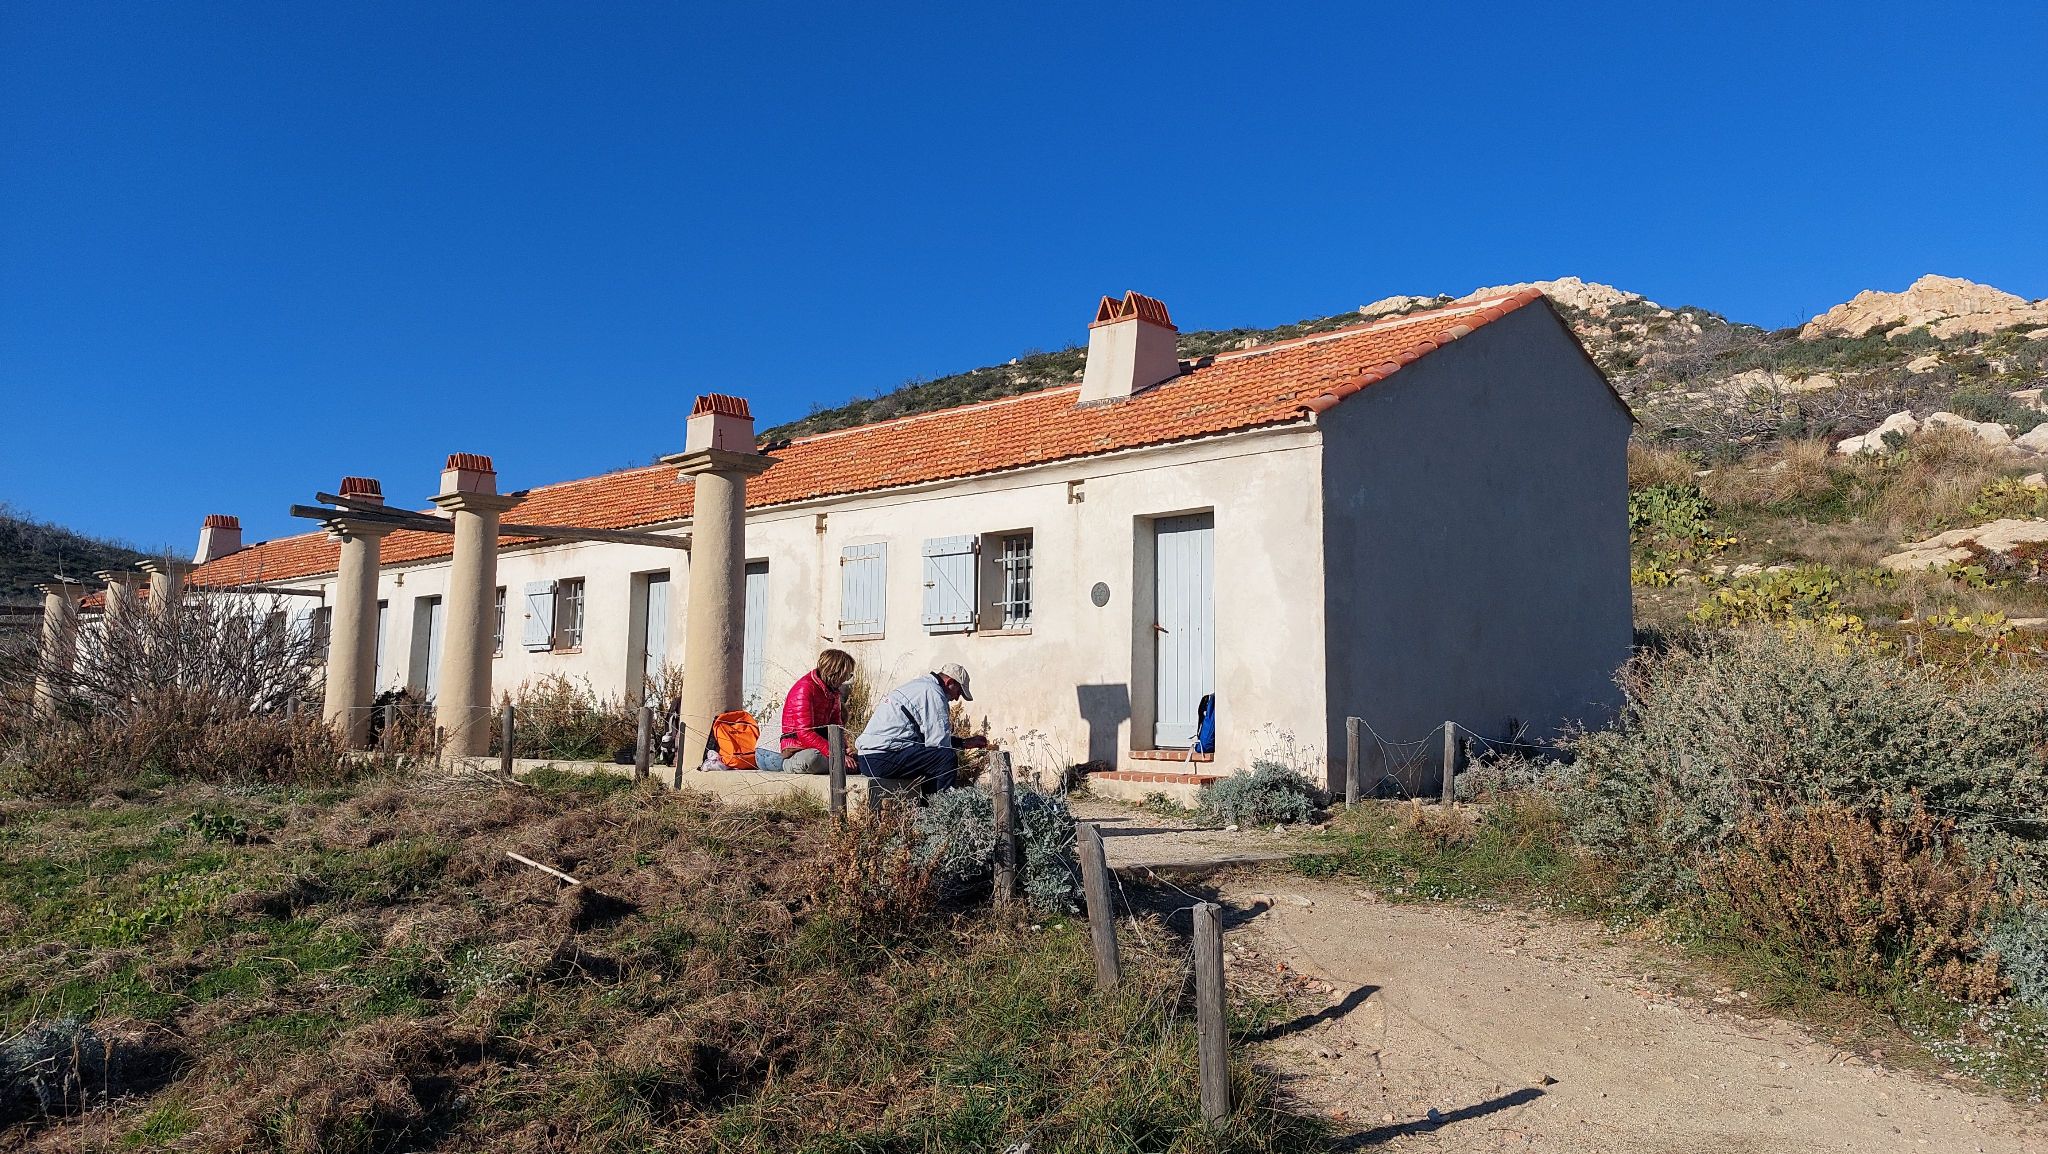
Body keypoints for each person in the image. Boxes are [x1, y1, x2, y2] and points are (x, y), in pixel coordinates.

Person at [855, 662, 988, 794]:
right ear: (950, 682)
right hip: (881, 759)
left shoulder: (921, 686)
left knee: (934, 756)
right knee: (946, 759)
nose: (957, 698)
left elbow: (927, 741)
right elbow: (939, 745)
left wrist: (964, 743)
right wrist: (956, 747)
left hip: (870, 758)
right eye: (959, 692)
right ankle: (940, 806)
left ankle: (928, 804)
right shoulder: (934, 694)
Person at [777, 648, 858, 775]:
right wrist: (836, 754)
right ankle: (790, 764)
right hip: (798, 748)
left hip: (821, 747)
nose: (846, 679)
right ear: (836, 672)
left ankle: (842, 764)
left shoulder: (833, 692)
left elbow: (836, 727)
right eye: (847, 675)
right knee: (813, 758)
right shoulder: (805, 689)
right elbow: (805, 733)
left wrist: (844, 749)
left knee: (856, 758)